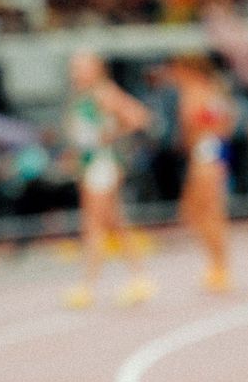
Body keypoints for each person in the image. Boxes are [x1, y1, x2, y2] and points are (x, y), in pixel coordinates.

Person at [64, 52, 156, 309]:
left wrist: (113, 134)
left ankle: (88, 285)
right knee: (115, 224)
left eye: (81, 67)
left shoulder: (104, 92)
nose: (75, 73)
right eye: (74, 67)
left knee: (94, 225)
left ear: (97, 69)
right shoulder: (82, 95)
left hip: (102, 165)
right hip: (90, 165)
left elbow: (140, 116)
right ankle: (138, 277)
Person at [169, 57, 236, 293]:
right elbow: (227, 120)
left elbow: (214, 122)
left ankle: (220, 265)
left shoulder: (198, 91)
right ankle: (216, 263)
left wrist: (209, 139)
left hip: (206, 151)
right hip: (207, 150)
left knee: (208, 211)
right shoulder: (208, 90)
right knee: (197, 211)